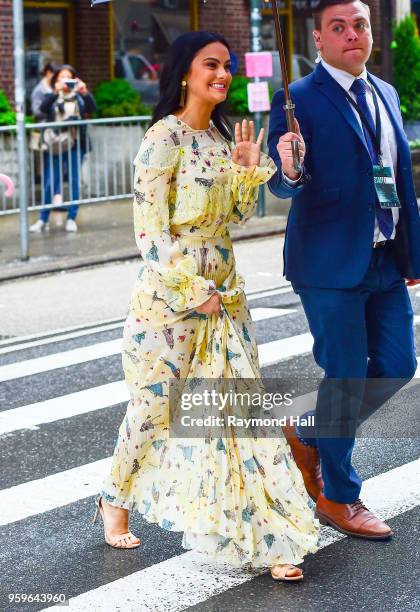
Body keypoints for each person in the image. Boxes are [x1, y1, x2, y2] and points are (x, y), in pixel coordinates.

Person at [93, 31, 320, 581]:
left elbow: (234, 218)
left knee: (236, 416)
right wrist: (196, 291)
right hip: (170, 306)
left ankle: (264, 533)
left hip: (227, 299)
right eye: (211, 65)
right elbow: (149, 235)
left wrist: (245, 168)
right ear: (185, 72)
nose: (223, 74)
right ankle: (113, 501)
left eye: (227, 66)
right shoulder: (161, 139)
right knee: (153, 411)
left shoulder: (220, 139)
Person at [268, 0, 420, 539]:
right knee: (346, 375)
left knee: (400, 364)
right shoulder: (296, 100)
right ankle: (338, 496)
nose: (352, 34)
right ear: (318, 40)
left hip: (383, 254)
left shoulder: (385, 92)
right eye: (339, 27)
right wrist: (288, 167)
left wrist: (411, 253)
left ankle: (309, 431)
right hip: (328, 263)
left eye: (360, 25)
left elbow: (397, 176)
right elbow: (282, 182)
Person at [29, 65, 96, 234]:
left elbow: (92, 109)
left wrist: (85, 92)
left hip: (75, 144)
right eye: (61, 77)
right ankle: (43, 219)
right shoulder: (52, 96)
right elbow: (42, 110)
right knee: (50, 182)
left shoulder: (79, 97)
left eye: (69, 77)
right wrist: (54, 93)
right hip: (54, 145)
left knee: (74, 182)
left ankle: (71, 218)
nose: (65, 81)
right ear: (56, 80)